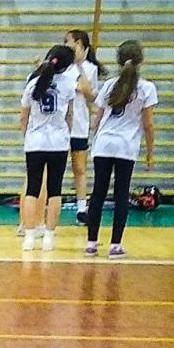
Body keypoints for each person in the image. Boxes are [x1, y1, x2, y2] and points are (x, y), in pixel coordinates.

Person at [85, 40, 157, 258]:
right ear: (141, 60)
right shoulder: (146, 87)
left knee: (98, 192)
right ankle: (115, 245)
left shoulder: (109, 85)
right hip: (126, 145)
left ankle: (91, 242)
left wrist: (94, 134)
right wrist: (149, 152)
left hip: (105, 143)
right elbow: (148, 124)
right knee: (121, 194)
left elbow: (97, 118)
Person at [19, 44, 78, 252]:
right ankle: (49, 237)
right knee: (55, 189)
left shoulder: (33, 83)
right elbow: (70, 115)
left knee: (32, 189)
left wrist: (26, 134)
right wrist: (67, 133)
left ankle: (28, 235)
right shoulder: (69, 84)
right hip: (58, 142)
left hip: (35, 141)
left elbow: (23, 115)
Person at [64, 29, 102, 217]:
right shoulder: (61, 66)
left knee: (79, 168)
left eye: (71, 42)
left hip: (80, 124)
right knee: (54, 169)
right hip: (61, 126)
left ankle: (81, 208)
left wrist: (79, 66)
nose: (68, 45)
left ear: (81, 45)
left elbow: (91, 94)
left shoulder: (89, 68)